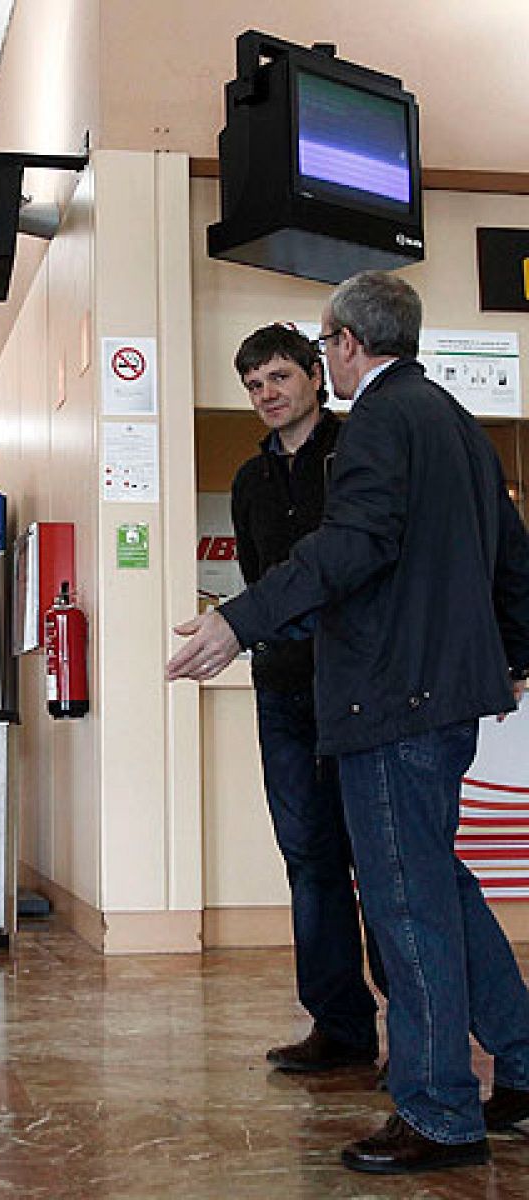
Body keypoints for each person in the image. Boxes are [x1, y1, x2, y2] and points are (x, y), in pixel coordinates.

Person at [168, 270, 529, 1175]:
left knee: (409, 906)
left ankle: (441, 1112)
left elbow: (351, 545)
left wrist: (236, 619)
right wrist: (512, 660)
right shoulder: (457, 425)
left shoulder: (375, 421)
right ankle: (523, 1066)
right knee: (439, 888)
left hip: (390, 702)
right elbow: (514, 563)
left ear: (343, 343)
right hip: (442, 699)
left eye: (324, 346)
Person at [228, 323, 385, 1075]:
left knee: (381, 858)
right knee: (309, 861)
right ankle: (339, 1026)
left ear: (315, 375)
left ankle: (416, 1026)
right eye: (255, 384)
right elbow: (262, 584)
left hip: (358, 689)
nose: (268, 394)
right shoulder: (248, 482)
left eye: (279, 377)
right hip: (283, 692)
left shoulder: (356, 453)